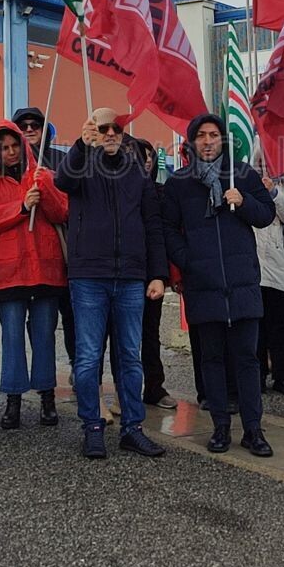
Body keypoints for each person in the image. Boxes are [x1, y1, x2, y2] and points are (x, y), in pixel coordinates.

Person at [55, 108, 168, 460]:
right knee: (88, 359)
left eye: (115, 128)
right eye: (102, 128)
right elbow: (62, 182)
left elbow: (153, 224)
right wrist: (80, 146)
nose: (109, 133)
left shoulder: (138, 172)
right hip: (89, 275)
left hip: (132, 276)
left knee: (130, 359)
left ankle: (133, 428)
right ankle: (92, 427)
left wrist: (158, 273)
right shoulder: (82, 164)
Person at [161, 114, 276, 455]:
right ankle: (221, 428)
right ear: (192, 142)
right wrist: (188, 260)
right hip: (203, 283)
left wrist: (243, 202)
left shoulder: (242, 175)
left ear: (223, 141)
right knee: (211, 360)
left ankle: (254, 430)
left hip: (241, 282)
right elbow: (168, 228)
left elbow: (266, 214)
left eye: (214, 135)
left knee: (247, 359)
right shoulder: (179, 182)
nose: (208, 141)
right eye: (201, 136)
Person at [0, 120, 68, 429]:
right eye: (4, 147)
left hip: (45, 268)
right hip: (9, 273)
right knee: (12, 337)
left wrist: (45, 189)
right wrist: (21, 206)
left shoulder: (44, 176)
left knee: (44, 337)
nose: (11, 151)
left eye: (15, 145)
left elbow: (61, 212)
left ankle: (47, 397)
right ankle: (13, 399)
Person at [14, 105, 78, 369]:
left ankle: (77, 366)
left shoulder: (62, 160)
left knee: (70, 314)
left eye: (35, 125)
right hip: (24, 253)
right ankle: (41, 373)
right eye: (23, 126)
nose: (29, 130)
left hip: (61, 250)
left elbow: (72, 203)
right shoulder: (8, 163)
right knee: (37, 321)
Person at [124, 137, 175, 409]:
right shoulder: (120, 189)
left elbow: (161, 234)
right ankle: (125, 389)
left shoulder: (161, 192)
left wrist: (162, 274)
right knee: (122, 335)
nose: (145, 160)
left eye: (149, 156)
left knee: (150, 332)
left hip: (150, 273)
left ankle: (154, 386)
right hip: (123, 272)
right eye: (139, 155)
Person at [253, 168, 284, 399]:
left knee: (279, 326)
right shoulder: (247, 183)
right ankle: (259, 375)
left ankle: (282, 375)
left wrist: (274, 192)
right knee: (256, 327)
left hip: (278, 265)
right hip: (252, 265)